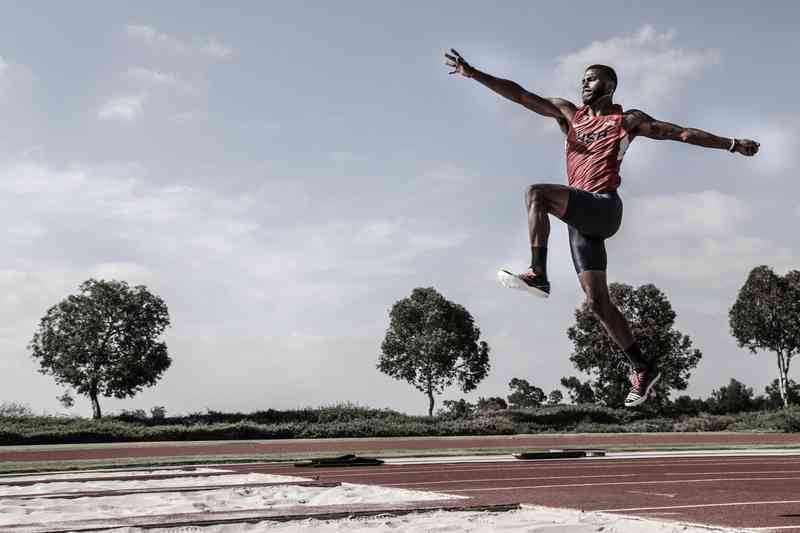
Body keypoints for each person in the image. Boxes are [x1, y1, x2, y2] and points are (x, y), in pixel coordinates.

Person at [443, 49, 760, 407]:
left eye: (591, 79)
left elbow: (681, 133)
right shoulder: (569, 115)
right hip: (580, 218)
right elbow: (520, 95)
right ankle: (643, 367)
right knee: (597, 303)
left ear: (609, 85)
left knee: (537, 194)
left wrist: (732, 144)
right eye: (582, 80)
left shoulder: (627, 121)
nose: (584, 85)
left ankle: (538, 273)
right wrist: (475, 74)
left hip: (604, 207)